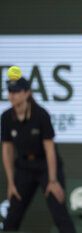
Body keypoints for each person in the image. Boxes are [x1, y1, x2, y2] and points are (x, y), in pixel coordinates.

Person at [1, 77, 76, 233]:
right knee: (11, 220)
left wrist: (53, 180)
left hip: (46, 167)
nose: (12, 95)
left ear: (27, 93)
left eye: (16, 91)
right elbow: (7, 150)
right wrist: (11, 183)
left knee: (60, 214)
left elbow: (50, 149)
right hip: (23, 168)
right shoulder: (6, 117)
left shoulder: (41, 115)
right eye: (10, 91)